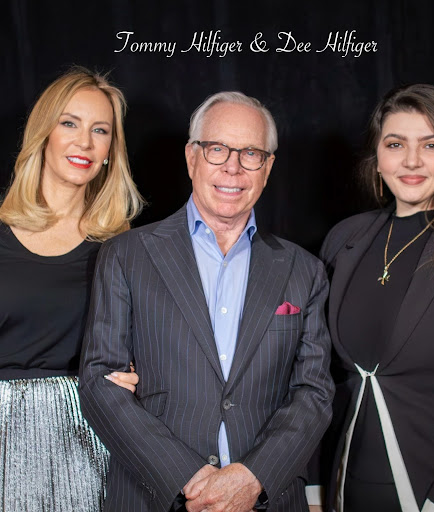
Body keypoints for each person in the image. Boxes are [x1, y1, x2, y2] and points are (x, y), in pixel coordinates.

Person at [79, 91, 334, 512]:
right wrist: (191, 479)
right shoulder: (126, 255)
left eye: (251, 153)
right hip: (155, 497)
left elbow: (314, 392)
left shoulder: (304, 270)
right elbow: (99, 383)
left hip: (266, 499)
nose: (233, 167)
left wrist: (252, 478)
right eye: (217, 149)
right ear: (191, 157)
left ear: (268, 168)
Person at [308, 84, 434, 512]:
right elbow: (320, 377)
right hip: (347, 489)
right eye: (396, 144)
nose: (412, 161)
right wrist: (314, 486)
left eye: (431, 145)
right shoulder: (345, 239)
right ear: (377, 156)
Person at [0, 67, 144, 511]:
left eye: (100, 130)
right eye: (70, 123)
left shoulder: (125, 249)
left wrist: (139, 372)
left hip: (86, 446)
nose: (85, 142)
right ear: (43, 134)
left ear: (110, 152)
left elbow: (145, 349)